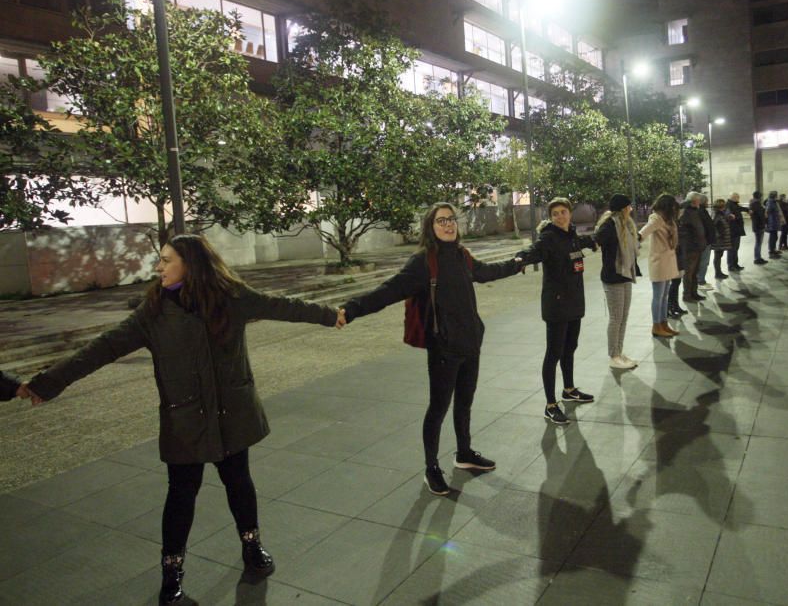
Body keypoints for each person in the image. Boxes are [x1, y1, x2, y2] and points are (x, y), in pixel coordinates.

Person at [19, 234, 340, 604]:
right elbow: (102, 348)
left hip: (230, 412)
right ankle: (171, 576)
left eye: (166, 260)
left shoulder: (231, 298)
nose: (158, 267)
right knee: (181, 495)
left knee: (239, 482)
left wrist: (331, 316)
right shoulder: (152, 313)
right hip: (184, 418)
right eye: (160, 260)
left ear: (191, 263)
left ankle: (251, 547)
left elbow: (282, 306)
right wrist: (47, 383)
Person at [338, 202, 523, 496]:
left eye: (451, 220)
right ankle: (431, 468)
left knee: (464, 402)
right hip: (444, 349)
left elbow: (486, 272)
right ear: (430, 227)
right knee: (438, 409)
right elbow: (389, 290)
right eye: (441, 221)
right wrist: (352, 309)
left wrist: (517, 263)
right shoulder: (424, 262)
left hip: (470, 342)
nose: (448, 225)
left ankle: (464, 454)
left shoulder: (462, 255)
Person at [516, 198, 598, 426]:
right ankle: (550, 405)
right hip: (556, 304)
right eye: (555, 214)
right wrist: (521, 258)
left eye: (563, 212)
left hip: (574, 301)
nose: (560, 216)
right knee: (553, 353)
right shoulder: (549, 237)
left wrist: (590, 242)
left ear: (570, 214)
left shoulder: (570, 234)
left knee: (570, 348)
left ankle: (569, 390)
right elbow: (534, 250)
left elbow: (577, 245)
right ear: (551, 217)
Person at [594, 194, 642, 370]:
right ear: (623, 208)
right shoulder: (608, 226)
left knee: (624, 317)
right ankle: (613, 355)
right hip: (612, 276)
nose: (631, 209)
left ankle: (619, 352)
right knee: (616, 318)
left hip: (625, 274)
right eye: (629, 207)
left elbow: (632, 245)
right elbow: (596, 239)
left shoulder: (626, 225)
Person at [639, 193, 683, 338]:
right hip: (659, 262)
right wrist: (634, 239)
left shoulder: (667, 220)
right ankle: (656, 325)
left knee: (664, 296)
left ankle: (664, 323)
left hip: (668, 261)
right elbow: (643, 233)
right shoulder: (656, 219)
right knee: (658, 296)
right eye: (672, 206)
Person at [679, 192, 708, 302]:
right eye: (698, 200)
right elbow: (683, 231)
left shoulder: (694, 211)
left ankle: (694, 293)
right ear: (693, 201)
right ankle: (687, 295)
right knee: (689, 273)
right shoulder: (685, 212)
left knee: (695, 272)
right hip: (690, 248)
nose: (699, 202)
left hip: (697, 247)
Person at [696, 194, 716, 290]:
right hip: (704, 242)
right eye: (707, 201)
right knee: (703, 262)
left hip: (707, 241)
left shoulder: (702, 211)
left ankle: (701, 280)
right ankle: (700, 281)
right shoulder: (700, 212)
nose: (708, 203)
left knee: (704, 262)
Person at [725, 192, 748, 272]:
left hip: (737, 230)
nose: (738, 198)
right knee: (732, 249)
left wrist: (748, 210)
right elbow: (728, 214)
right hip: (733, 230)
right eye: (737, 197)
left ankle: (735, 264)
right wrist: (733, 216)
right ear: (733, 197)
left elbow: (741, 208)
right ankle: (730, 266)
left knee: (736, 248)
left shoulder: (734, 204)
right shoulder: (728, 204)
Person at [711, 198, 733, 281]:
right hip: (719, 240)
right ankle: (718, 273)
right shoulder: (717, 214)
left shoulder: (720, 213)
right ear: (721, 206)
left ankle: (719, 272)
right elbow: (716, 227)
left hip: (721, 239)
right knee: (717, 257)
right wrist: (720, 235)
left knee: (719, 256)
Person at [749, 190, 768, 265]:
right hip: (759, 226)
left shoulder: (753, 203)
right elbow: (760, 215)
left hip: (756, 225)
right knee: (758, 242)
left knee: (758, 242)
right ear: (759, 196)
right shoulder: (756, 204)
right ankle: (757, 258)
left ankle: (758, 257)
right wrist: (765, 222)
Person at [764, 190, 782, 259]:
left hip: (775, 222)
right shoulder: (770, 202)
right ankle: (771, 253)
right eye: (776, 195)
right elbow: (766, 213)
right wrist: (767, 223)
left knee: (775, 237)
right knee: (772, 238)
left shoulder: (774, 202)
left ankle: (773, 250)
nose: (777, 196)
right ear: (774, 196)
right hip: (772, 223)